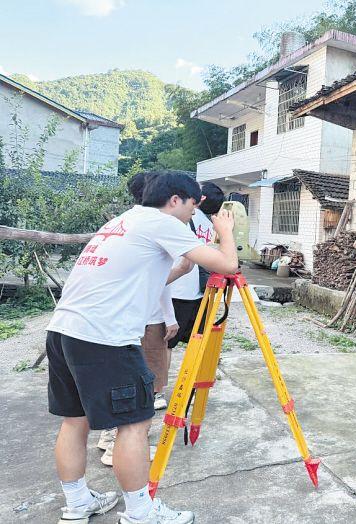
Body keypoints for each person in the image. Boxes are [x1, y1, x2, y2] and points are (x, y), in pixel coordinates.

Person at [47, 171, 238, 524]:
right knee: (134, 424)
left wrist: (185, 265)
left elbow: (146, 277)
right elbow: (228, 264)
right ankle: (141, 513)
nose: (193, 214)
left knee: (75, 421)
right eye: (193, 206)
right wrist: (226, 232)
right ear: (176, 200)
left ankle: (77, 504)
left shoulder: (124, 221)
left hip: (64, 331)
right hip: (104, 338)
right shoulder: (162, 222)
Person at [96, 172, 183, 468]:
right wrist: (169, 317)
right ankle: (117, 444)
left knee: (127, 382)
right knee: (141, 385)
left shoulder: (124, 224)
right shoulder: (155, 227)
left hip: (123, 319)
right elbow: (160, 282)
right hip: (145, 320)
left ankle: (111, 437)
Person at [167, 182, 225, 350]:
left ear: (201, 197)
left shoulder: (182, 218)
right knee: (197, 341)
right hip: (200, 292)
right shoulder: (213, 225)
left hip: (176, 289)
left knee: (166, 344)